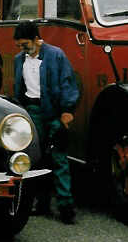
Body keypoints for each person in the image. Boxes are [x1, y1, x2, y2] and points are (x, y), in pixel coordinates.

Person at [12, 20, 79, 224]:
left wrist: (67, 111)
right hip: (31, 112)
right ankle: (41, 203)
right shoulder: (18, 59)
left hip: (54, 113)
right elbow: (18, 88)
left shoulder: (56, 55)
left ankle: (66, 207)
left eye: (25, 44)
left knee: (59, 158)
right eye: (19, 45)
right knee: (37, 159)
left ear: (36, 39)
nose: (22, 49)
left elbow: (68, 83)